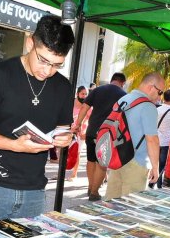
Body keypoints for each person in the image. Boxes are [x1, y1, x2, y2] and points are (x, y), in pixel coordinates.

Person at [0, 15, 75, 226]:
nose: (47, 70)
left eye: (56, 65)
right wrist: (14, 145)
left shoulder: (63, 87)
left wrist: (64, 139)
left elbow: (62, 129)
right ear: (30, 43)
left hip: (33, 190)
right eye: (43, 60)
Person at [104, 72, 164, 200]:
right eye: (160, 92)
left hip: (117, 158)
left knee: (111, 203)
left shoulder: (124, 99)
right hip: (136, 162)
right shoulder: (148, 106)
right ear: (151, 87)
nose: (160, 97)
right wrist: (155, 167)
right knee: (130, 207)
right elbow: (152, 139)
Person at [73, 73, 126, 201]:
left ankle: (91, 187)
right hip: (107, 133)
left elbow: (85, 107)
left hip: (91, 131)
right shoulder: (123, 95)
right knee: (101, 164)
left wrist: (78, 124)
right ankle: (95, 192)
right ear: (122, 83)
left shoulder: (97, 90)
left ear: (111, 79)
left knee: (91, 160)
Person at [150, 89, 170, 189]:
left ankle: (151, 182)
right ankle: (158, 185)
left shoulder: (156, 109)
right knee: (162, 165)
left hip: (154, 141)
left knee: (154, 163)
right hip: (166, 143)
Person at [68, 86, 90, 181]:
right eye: (82, 94)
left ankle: (74, 174)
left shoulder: (88, 106)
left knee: (77, 152)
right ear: (77, 94)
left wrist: (85, 132)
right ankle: (61, 172)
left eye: (86, 94)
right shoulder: (70, 103)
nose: (84, 96)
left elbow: (91, 120)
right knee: (63, 152)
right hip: (68, 131)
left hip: (80, 133)